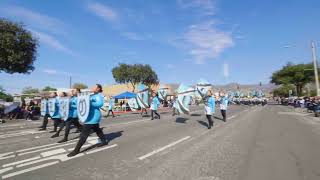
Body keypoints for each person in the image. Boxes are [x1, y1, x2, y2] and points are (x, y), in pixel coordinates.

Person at [67, 84, 107, 157]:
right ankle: (104, 141)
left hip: (94, 116)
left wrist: (89, 102)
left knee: (84, 134)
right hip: (88, 116)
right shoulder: (91, 95)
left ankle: (76, 150)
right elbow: (82, 103)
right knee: (97, 129)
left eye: (94, 87)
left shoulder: (99, 95)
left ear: (98, 89)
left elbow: (100, 104)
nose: (92, 88)